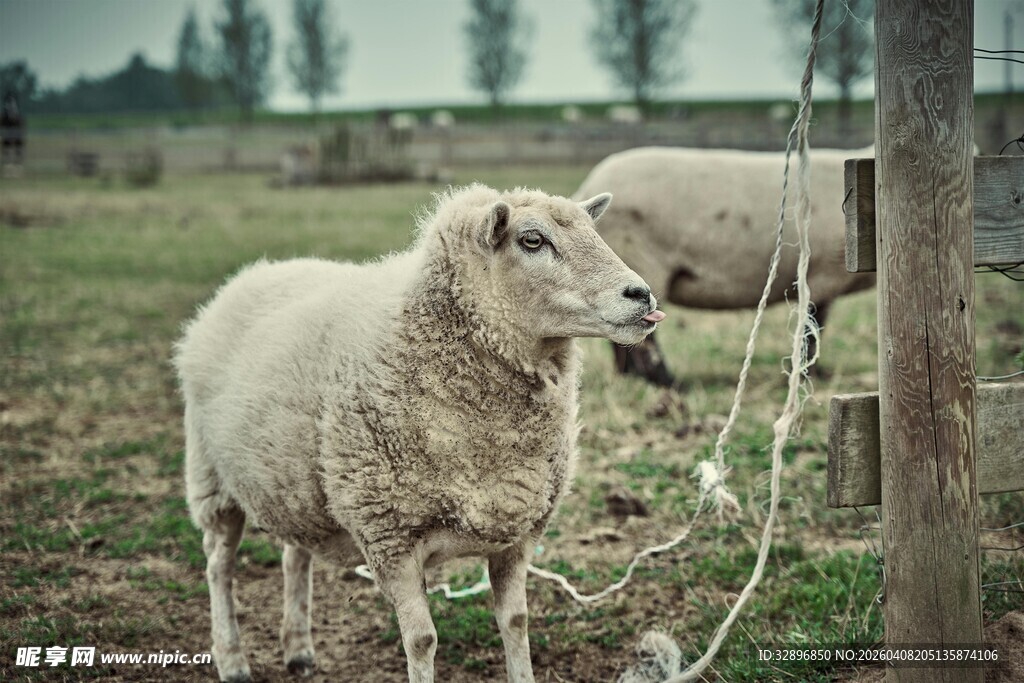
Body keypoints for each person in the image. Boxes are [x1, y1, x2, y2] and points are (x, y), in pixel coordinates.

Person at [1, 92, 26, 174]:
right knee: (7, 150)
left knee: (18, 150)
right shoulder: (5, 116)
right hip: (7, 135)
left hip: (16, 134)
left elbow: (21, 126)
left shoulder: (18, 117)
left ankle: (18, 167)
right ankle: (8, 167)